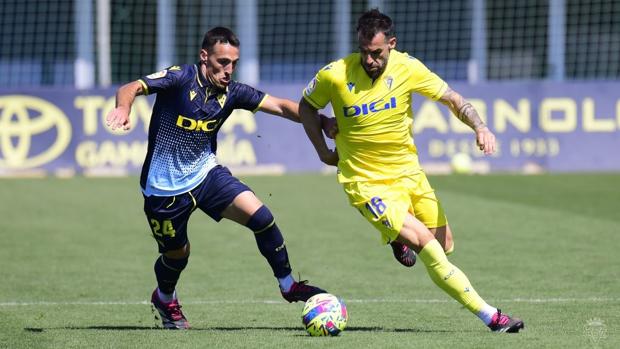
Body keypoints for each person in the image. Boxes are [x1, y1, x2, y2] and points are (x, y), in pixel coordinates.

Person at [298, 9, 524, 333]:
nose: (370, 60)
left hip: (409, 174)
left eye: (376, 53)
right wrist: (322, 150)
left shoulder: (408, 67)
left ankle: (396, 239)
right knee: (429, 249)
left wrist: (480, 127)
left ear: (392, 44)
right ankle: (493, 317)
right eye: (364, 52)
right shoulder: (335, 74)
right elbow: (306, 105)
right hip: (365, 182)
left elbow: (453, 100)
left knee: (444, 245)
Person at [106, 27, 328, 329]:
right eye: (223, 62)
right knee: (178, 254)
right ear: (204, 57)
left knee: (262, 217)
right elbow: (131, 87)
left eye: (234, 63)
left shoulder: (232, 92)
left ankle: (288, 285)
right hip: (164, 190)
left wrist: (323, 120)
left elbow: (280, 106)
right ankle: (165, 297)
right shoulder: (180, 77)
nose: (229, 70)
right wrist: (123, 107)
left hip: (206, 174)